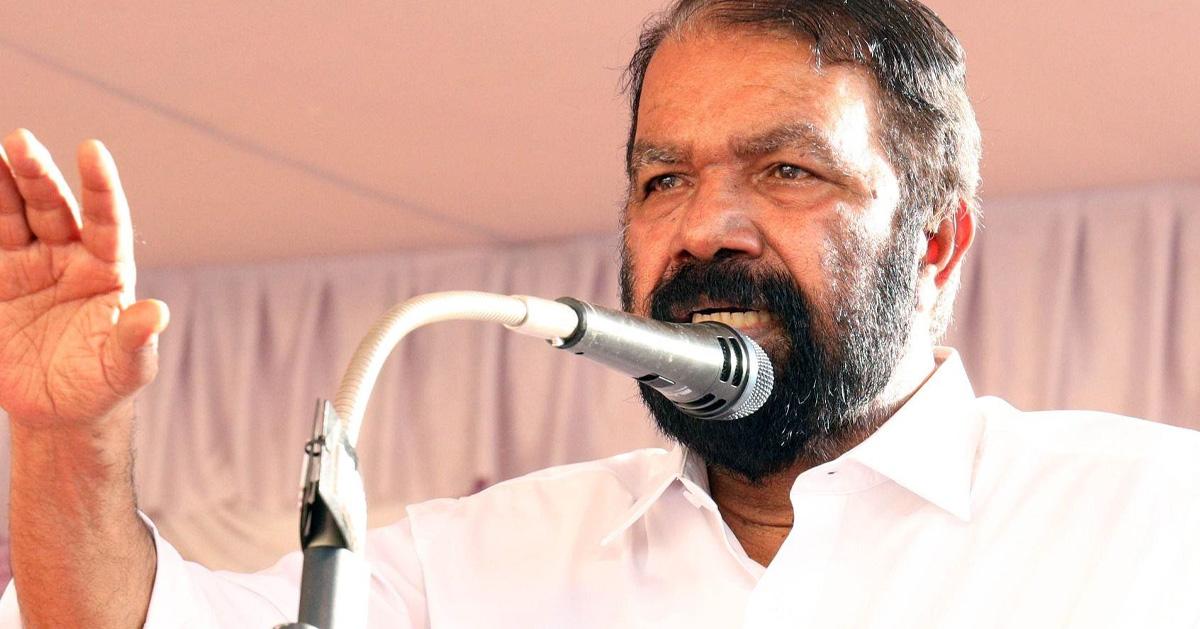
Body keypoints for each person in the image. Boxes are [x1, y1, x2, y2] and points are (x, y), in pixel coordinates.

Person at [2, 0, 1198, 626]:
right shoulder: (473, 565)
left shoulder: (1158, 520)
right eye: (663, 178)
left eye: (787, 170)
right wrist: (67, 437)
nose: (707, 227)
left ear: (936, 241)